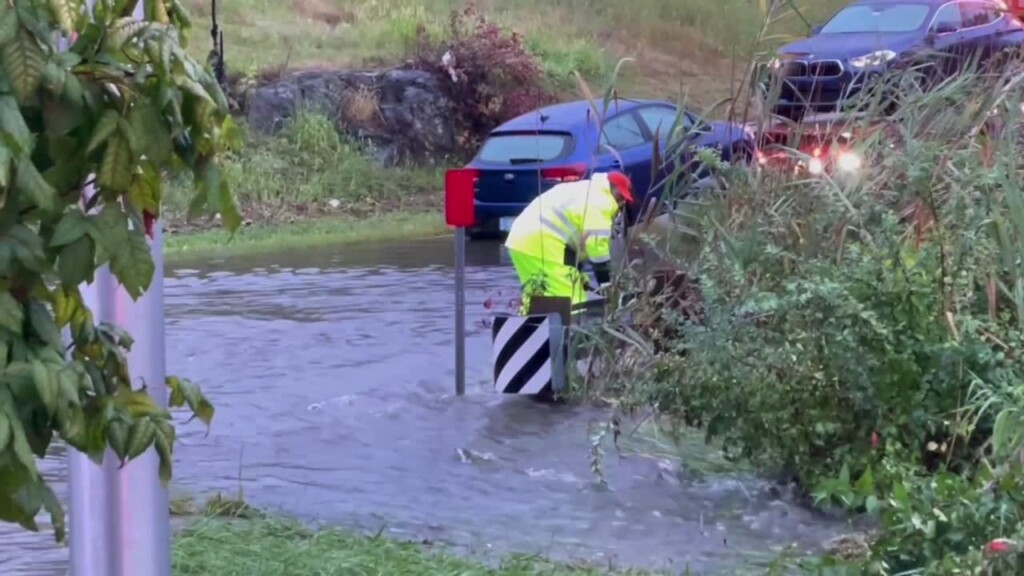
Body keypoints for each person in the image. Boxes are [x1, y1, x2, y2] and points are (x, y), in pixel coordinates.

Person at [504, 171, 635, 314]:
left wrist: (578, 274)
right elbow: (597, 248)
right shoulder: (602, 202)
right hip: (543, 243)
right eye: (620, 197)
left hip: (521, 241)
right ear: (611, 187)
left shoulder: (586, 189)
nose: (621, 203)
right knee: (572, 300)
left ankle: (525, 331)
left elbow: (572, 239)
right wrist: (605, 282)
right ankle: (572, 335)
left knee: (538, 295)